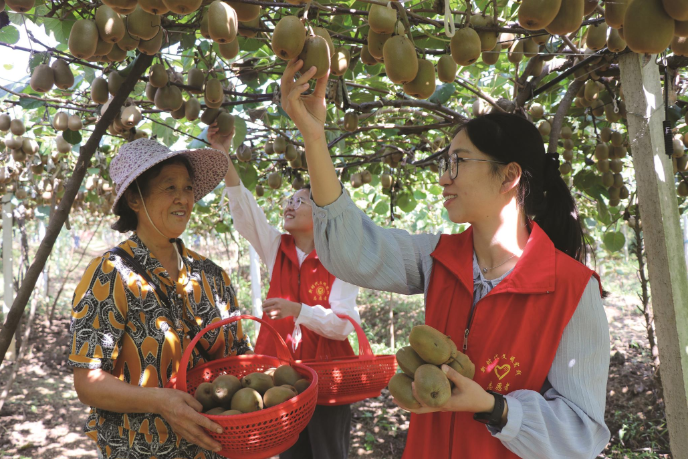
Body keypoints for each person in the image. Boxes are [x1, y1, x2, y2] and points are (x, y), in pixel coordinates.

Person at [279, 60, 611, 459]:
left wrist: (494, 407)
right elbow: (354, 251)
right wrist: (314, 137)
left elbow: (582, 435)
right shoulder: (437, 258)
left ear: (509, 177)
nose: (443, 178)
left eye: (458, 162)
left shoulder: (572, 289)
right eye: (445, 163)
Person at [69, 139, 252, 459]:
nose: (183, 198)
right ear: (134, 199)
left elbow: (238, 357)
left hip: (214, 447)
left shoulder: (212, 276)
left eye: (188, 187)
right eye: (170, 187)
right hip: (141, 449)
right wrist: (158, 400)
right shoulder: (111, 274)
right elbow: (88, 380)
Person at [208, 124, 361, 459]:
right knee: (290, 452)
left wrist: (298, 311)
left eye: (300, 200)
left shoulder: (340, 260)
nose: (289, 205)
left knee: (329, 452)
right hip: (278, 379)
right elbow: (246, 211)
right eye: (289, 200)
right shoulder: (278, 247)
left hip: (327, 380)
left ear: (322, 211)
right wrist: (223, 154)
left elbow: (343, 323)